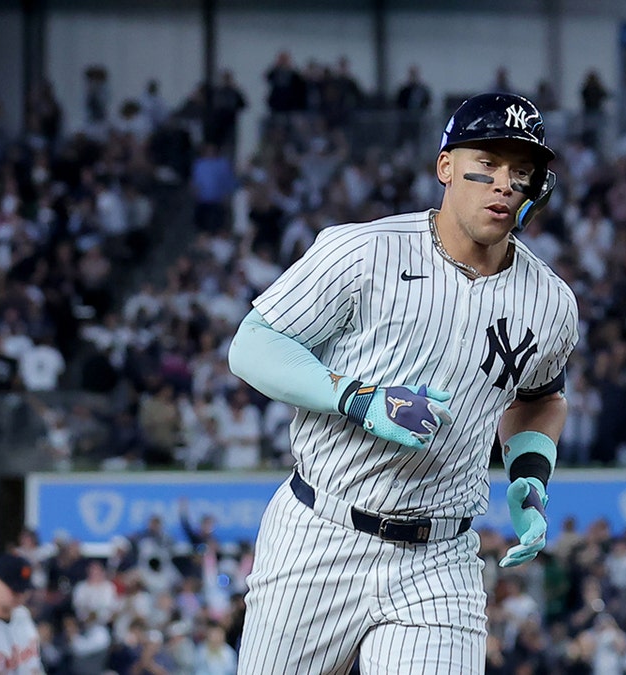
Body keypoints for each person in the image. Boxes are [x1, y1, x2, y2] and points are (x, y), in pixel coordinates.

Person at [229, 92, 579, 673]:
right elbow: (253, 345)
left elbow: (541, 399)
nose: (502, 183)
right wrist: (355, 397)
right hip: (321, 532)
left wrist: (530, 475)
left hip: (440, 558)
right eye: (486, 163)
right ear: (445, 166)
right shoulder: (362, 251)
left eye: (521, 172)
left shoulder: (550, 302)